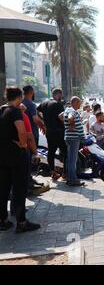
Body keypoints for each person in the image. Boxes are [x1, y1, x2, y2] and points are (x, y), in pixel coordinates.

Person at [0, 87, 41, 233]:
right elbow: (22, 131)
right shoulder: (15, 111)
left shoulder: (1, 110)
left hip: (2, 157)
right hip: (16, 157)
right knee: (19, 189)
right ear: (19, 97)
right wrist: (23, 144)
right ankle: (22, 222)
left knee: (3, 189)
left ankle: (3, 220)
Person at [37, 89, 67, 180]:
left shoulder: (44, 103)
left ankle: (53, 172)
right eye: (61, 95)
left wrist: (42, 122)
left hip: (49, 132)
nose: (61, 97)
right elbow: (62, 118)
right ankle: (65, 173)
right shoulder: (58, 104)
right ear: (58, 95)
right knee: (65, 152)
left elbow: (36, 111)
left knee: (51, 152)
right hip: (59, 132)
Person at [22, 85, 46, 188]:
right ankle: (29, 182)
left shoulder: (21, 104)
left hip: (23, 135)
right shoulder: (30, 104)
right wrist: (44, 127)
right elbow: (35, 119)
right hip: (31, 135)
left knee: (26, 159)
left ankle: (29, 180)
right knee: (32, 158)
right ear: (31, 92)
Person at [63, 97, 85, 187]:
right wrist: (71, 125)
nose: (80, 104)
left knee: (70, 159)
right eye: (79, 103)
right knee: (72, 160)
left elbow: (60, 116)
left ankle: (70, 178)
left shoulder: (67, 109)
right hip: (74, 138)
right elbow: (70, 118)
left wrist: (67, 125)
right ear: (75, 103)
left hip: (69, 137)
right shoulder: (72, 111)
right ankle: (73, 179)